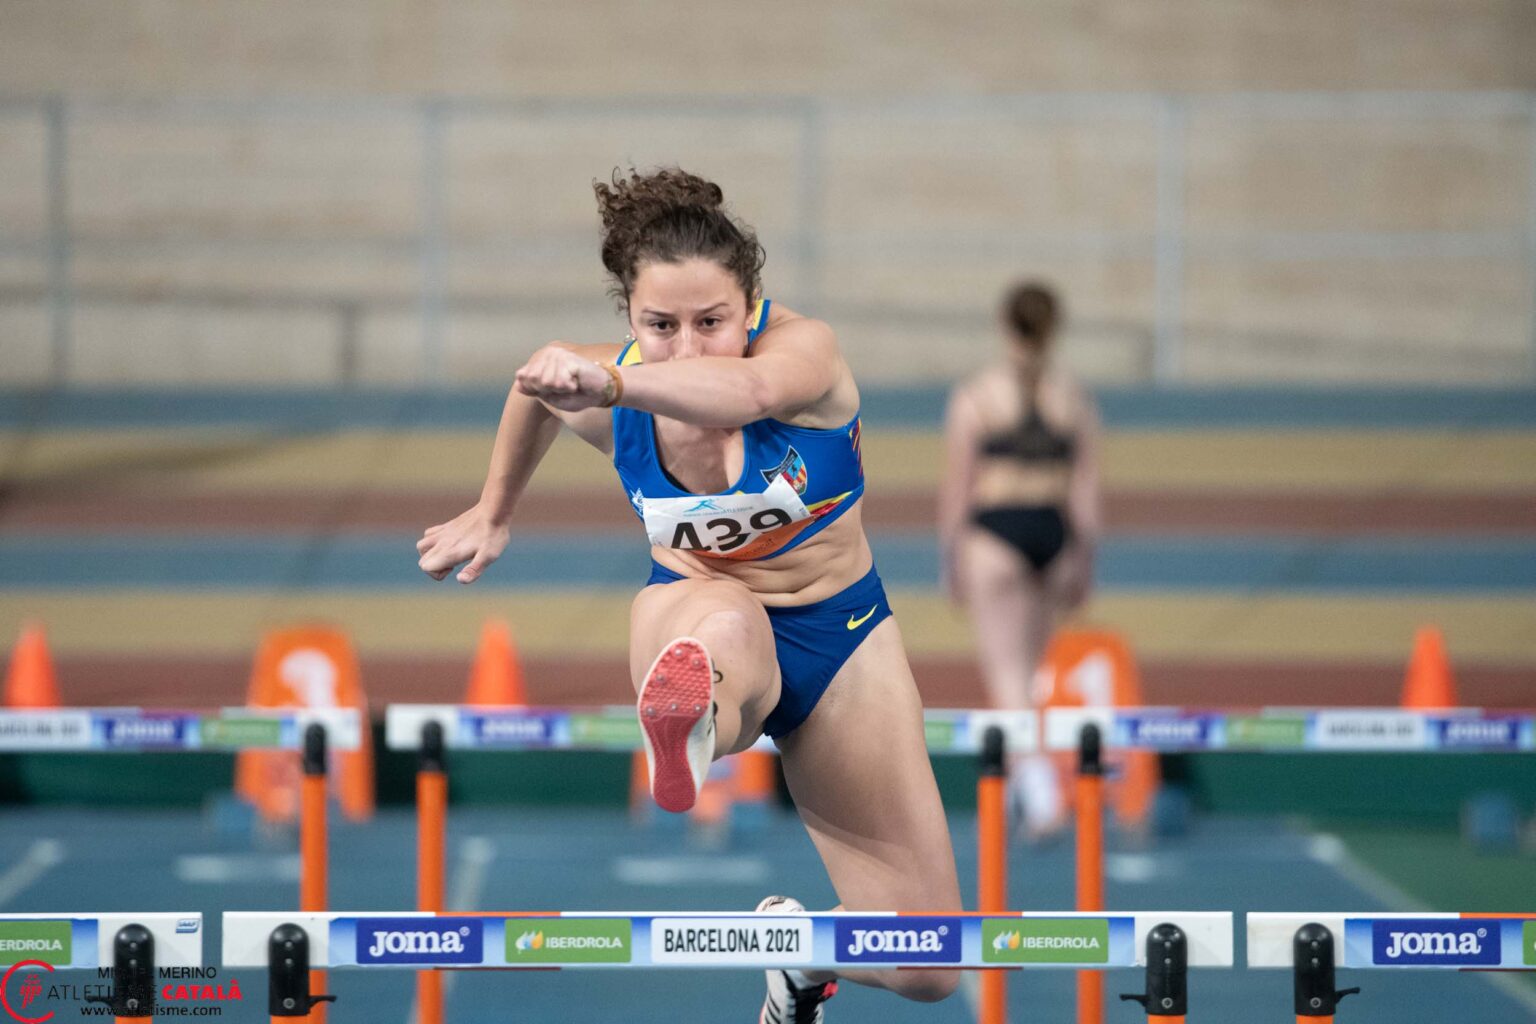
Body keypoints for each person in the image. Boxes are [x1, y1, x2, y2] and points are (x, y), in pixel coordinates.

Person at [416, 167, 961, 1019]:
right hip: (698, 605)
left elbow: (747, 393)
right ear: (630, 319)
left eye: (712, 322)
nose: (688, 348)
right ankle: (695, 712)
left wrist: (616, 381)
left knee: (928, 963)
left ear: (752, 308)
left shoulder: (806, 355)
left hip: (842, 632)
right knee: (725, 627)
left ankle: (798, 953)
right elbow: (534, 393)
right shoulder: (610, 389)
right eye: (659, 327)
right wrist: (494, 510)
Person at [939, 282, 1101, 838]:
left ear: (1006, 326)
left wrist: (951, 558)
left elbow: (958, 488)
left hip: (996, 534)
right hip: (1052, 533)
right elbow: (1085, 495)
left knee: (1007, 674)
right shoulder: (1073, 398)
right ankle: (1017, 784)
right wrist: (1083, 560)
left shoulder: (977, 396)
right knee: (1029, 674)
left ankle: (1038, 787)